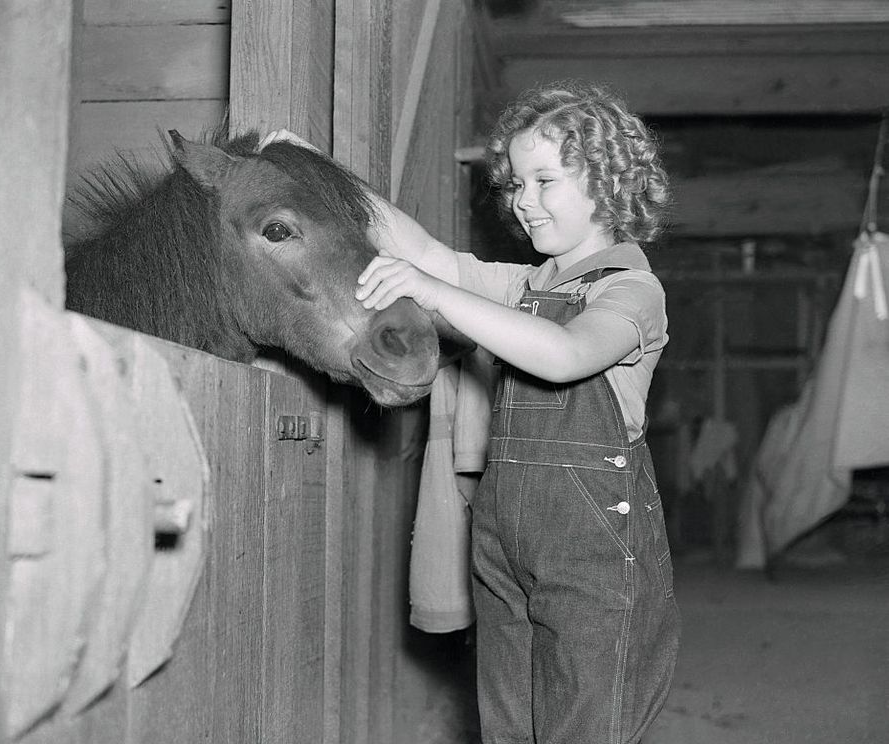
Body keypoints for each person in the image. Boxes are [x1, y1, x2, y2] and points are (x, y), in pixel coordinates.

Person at [264, 78, 680, 743]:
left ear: (606, 183)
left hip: (593, 543)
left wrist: (434, 292)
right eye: (516, 184)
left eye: (546, 181)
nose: (525, 203)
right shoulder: (524, 285)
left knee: (592, 718)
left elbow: (566, 354)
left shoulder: (634, 292)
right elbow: (425, 254)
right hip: (504, 533)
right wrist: (318, 171)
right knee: (509, 720)